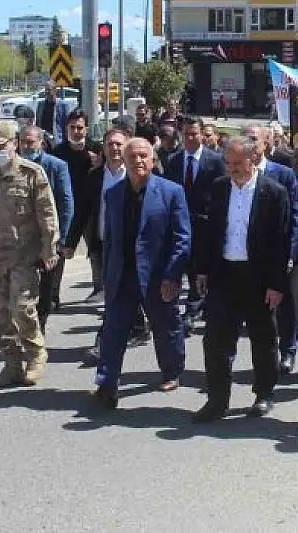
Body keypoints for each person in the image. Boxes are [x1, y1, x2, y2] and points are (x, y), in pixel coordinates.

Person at [192, 136, 291, 422]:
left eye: (238, 164)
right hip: (224, 275)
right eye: (228, 164)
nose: (232, 169)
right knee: (215, 340)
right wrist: (203, 270)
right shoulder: (219, 188)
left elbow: (281, 243)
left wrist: (276, 285)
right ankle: (217, 399)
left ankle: (263, 394)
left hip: (258, 278)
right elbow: (208, 232)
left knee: (263, 339)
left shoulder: (273, 192)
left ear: (252, 160)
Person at [93, 138, 191, 409]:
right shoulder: (113, 194)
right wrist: (106, 276)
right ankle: (107, 382)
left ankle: (172, 371)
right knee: (113, 330)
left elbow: (182, 238)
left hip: (157, 276)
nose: (138, 161)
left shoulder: (172, 192)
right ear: (123, 161)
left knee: (166, 326)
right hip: (122, 275)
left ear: (152, 159)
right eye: (132, 156)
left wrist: (172, 276)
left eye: (143, 156)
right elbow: (110, 239)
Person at [0, 130, 59, 387]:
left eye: (1, 145)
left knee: (22, 308)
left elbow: (47, 213)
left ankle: (35, 354)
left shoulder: (32, 174)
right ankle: (11, 364)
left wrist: (49, 248)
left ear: (14, 144)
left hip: (24, 256)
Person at [63, 129, 149, 358]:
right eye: (110, 144)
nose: (115, 148)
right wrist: (71, 242)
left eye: (119, 144)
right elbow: (83, 211)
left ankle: (108, 340)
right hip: (104, 243)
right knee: (115, 291)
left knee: (121, 291)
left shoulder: (139, 174)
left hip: (133, 244)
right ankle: (131, 331)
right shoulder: (95, 176)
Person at [244, 124, 298, 372]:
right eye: (245, 138)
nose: (249, 143)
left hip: (277, 252)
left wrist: (290, 253)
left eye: (254, 139)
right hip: (246, 254)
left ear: (267, 143)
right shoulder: (236, 171)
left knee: (284, 303)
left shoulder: (283, 174)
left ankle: (287, 350)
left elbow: (294, 216)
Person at [164, 116, 227, 330]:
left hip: (207, 225)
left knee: (204, 268)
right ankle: (191, 309)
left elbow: (222, 192)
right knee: (186, 266)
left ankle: (200, 306)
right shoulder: (173, 161)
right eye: (187, 134)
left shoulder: (216, 160)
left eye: (194, 134)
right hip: (181, 224)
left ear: (202, 134)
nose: (190, 138)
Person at [18, 125, 73, 326]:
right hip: (21, 238)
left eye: (30, 142)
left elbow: (66, 203)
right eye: (22, 141)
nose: (26, 146)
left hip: (47, 237)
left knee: (46, 287)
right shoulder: (12, 166)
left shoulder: (56, 166)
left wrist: (61, 240)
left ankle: (40, 322)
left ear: (41, 143)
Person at [52, 110, 105, 301]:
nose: (76, 131)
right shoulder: (58, 152)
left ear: (87, 129)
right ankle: (52, 295)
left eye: (80, 128)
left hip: (90, 208)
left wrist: (98, 164)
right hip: (65, 209)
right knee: (61, 249)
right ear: (66, 129)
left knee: (95, 249)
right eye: (72, 127)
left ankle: (100, 289)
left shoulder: (97, 149)